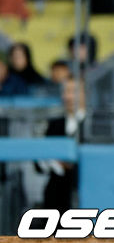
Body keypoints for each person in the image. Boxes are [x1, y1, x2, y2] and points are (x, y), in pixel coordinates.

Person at [37, 78, 86, 213]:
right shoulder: (54, 124)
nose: (67, 96)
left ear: (85, 94)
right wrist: (55, 163)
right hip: (55, 200)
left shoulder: (93, 126)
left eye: (72, 91)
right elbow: (38, 163)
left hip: (84, 200)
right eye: (65, 92)